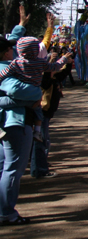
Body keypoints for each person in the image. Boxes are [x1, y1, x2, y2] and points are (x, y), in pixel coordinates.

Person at [0, 37, 69, 143]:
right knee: (38, 112)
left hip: (24, 91)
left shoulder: (16, 63)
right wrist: (63, 59)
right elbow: (55, 67)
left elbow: (5, 73)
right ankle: (37, 131)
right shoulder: (41, 62)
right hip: (36, 91)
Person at [0, 37, 34, 225]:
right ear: (6, 51)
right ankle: (7, 213)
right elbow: (16, 90)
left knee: (4, 167)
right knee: (13, 169)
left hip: (6, 123)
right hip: (14, 123)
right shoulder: (7, 69)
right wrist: (33, 96)